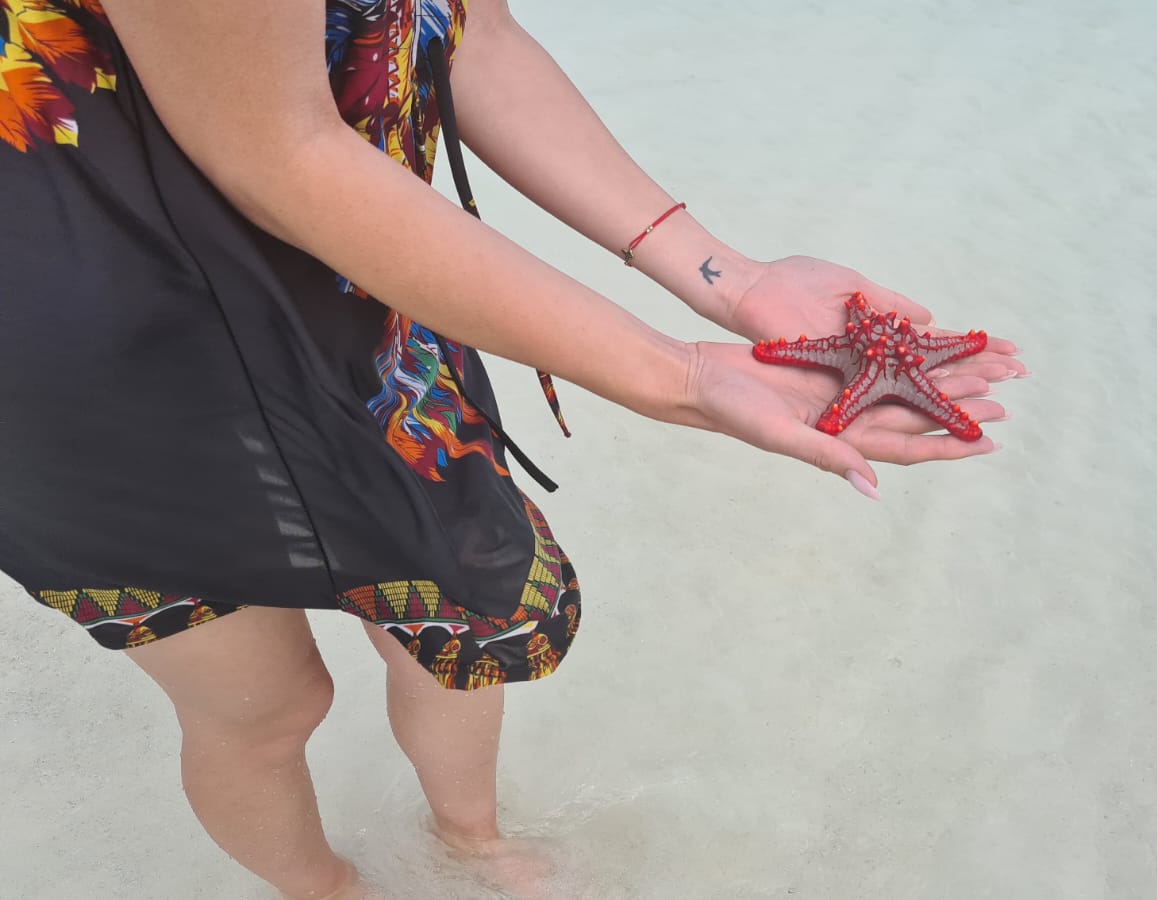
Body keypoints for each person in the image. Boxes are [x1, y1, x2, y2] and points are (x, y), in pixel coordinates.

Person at [0, 0, 1024, 896]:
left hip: (362, 296)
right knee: (262, 706)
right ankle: (319, 890)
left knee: (467, 625)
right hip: (108, 367)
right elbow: (278, 152)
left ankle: (469, 836)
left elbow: (471, 31)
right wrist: (677, 373)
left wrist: (726, 277)